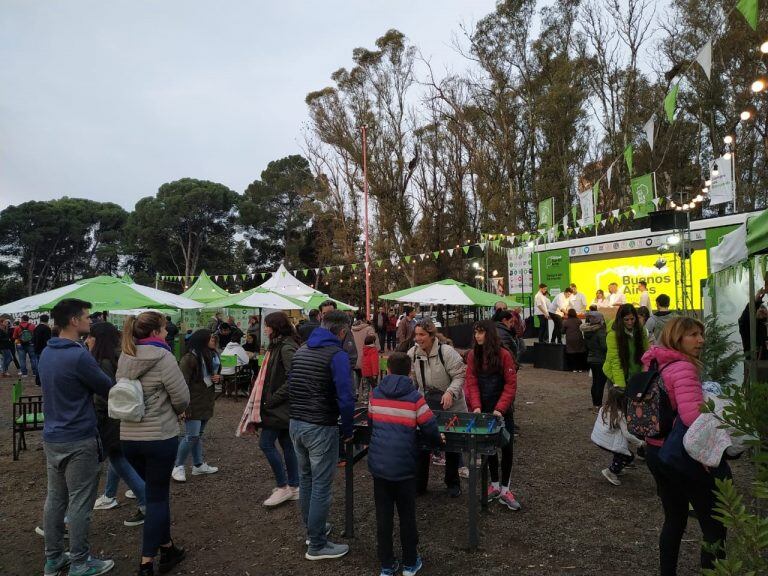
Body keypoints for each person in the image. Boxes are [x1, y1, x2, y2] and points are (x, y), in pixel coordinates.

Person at [642, 317, 730, 574]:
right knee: (714, 525)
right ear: (676, 338)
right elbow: (692, 418)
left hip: (656, 450)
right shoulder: (683, 367)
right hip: (682, 453)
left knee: (674, 519)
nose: (701, 340)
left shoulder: (655, 363)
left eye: (701, 334)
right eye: (693, 335)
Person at [38, 299, 116, 576]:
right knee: (81, 502)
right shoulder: (78, 354)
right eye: (86, 316)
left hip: (53, 436)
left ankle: (54, 558)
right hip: (79, 436)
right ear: (73, 321)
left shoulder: (47, 352)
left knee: (55, 498)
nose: (90, 321)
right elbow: (107, 388)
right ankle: (81, 563)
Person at [116, 312, 189, 576]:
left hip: (129, 436)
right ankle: (146, 563)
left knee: (155, 494)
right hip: (158, 435)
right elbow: (181, 396)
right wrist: (177, 408)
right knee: (157, 497)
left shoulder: (126, 355)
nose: (168, 332)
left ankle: (168, 547)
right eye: (165, 328)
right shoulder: (164, 357)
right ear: (156, 332)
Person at [288, 310, 354, 560]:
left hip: (297, 423)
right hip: (320, 425)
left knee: (306, 480)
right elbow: (346, 397)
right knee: (321, 486)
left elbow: (291, 382)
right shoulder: (337, 355)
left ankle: (312, 530)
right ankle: (316, 544)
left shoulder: (302, 350)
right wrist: (347, 429)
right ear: (342, 330)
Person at [368, 352, 442, 576]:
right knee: (407, 515)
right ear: (409, 371)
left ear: (387, 370)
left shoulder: (375, 394)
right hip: (405, 468)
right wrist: (438, 442)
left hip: (380, 467)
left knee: (383, 516)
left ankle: (387, 565)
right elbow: (429, 427)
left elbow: (372, 423)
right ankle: (410, 562)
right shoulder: (414, 397)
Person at [238, 311, 300, 507]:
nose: (264, 329)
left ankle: (283, 486)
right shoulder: (280, 345)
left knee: (266, 443)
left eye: (267, 325)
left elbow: (294, 378)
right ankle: (294, 485)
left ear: (276, 327)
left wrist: (272, 399)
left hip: (279, 406)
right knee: (287, 444)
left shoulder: (285, 347)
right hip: (280, 406)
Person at [88, 322, 147, 527]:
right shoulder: (122, 355)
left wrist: (98, 416)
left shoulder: (102, 361)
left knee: (118, 458)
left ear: (98, 339)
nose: (87, 340)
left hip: (110, 418)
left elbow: (104, 396)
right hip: (123, 415)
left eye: (90, 336)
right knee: (117, 458)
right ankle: (110, 495)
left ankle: (145, 501)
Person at [463, 320, 520, 510]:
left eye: (481, 333)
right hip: (484, 409)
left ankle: (505, 488)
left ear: (490, 334)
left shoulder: (504, 355)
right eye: (475, 333)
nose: (477, 336)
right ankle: (494, 485)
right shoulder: (473, 355)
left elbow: (510, 385)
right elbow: (471, 382)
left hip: (502, 411)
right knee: (489, 448)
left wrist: (500, 409)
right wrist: (477, 407)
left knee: (507, 447)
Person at [407, 318, 467, 498]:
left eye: (422, 335)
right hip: (427, 404)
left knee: (451, 446)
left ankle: (452, 483)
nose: (418, 338)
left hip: (451, 405)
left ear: (432, 335)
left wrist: (450, 392)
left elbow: (460, 375)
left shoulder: (447, 352)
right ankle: (420, 484)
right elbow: (412, 380)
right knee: (422, 443)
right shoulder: (413, 354)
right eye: (416, 334)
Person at [172, 330, 220, 482]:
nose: (214, 340)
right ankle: (178, 466)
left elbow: (214, 377)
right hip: (192, 403)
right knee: (191, 435)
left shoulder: (212, 357)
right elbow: (181, 383)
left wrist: (218, 378)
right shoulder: (189, 358)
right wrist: (183, 407)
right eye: (210, 338)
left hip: (206, 401)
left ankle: (198, 465)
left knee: (197, 435)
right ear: (202, 340)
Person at [590, 386, 644, 486]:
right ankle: (611, 471)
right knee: (628, 456)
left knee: (621, 454)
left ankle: (617, 468)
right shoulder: (619, 415)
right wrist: (640, 443)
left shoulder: (603, 408)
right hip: (608, 441)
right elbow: (627, 434)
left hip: (599, 438)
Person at [603, 304, 649, 391]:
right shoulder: (612, 335)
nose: (630, 322)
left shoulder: (641, 330)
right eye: (626, 319)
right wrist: (621, 386)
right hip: (616, 374)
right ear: (621, 319)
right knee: (620, 402)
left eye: (632, 319)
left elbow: (646, 354)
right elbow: (615, 362)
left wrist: (644, 375)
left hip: (635, 373)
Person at [320, 300, 357, 371]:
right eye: (324, 313)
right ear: (321, 315)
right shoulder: (318, 331)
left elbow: (351, 356)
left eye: (330, 313)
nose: (327, 316)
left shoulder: (344, 331)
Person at [581, 311, 608, 409]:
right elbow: (604, 347)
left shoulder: (587, 330)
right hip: (600, 359)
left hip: (591, 359)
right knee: (600, 383)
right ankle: (598, 405)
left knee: (595, 382)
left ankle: (595, 404)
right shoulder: (600, 331)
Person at [351, 313, 379, 390]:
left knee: (357, 374)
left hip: (355, 356)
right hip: (366, 357)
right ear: (364, 319)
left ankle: (356, 391)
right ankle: (365, 397)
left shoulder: (352, 329)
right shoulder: (369, 329)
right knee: (365, 378)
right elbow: (374, 341)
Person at [361, 334, 379, 401]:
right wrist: (375, 373)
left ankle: (365, 400)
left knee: (365, 387)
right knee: (374, 387)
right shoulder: (373, 350)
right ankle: (374, 399)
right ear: (373, 342)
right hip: (371, 372)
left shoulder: (364, 349)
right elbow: (374, 362)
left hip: (365, 372)